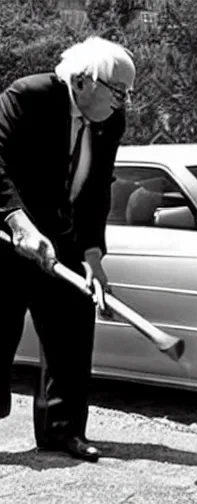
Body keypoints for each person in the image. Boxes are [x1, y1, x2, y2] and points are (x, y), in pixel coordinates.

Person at [0, 36, 135, 462]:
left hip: (62, 239)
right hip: (7, 235)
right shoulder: (28, 96)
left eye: (128, 93)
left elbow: (97, 189)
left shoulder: (110, 121)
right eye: (118, 90)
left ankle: (63, 431)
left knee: (72, 333)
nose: (124, 101)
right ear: (82, 80)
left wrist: (93, 256)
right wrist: (18, 223)